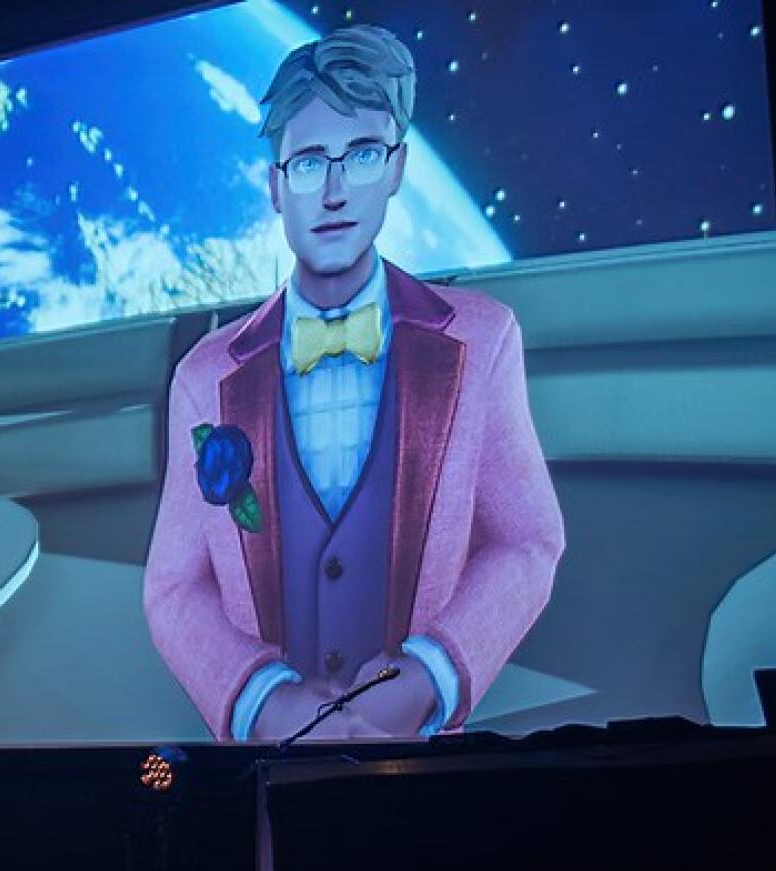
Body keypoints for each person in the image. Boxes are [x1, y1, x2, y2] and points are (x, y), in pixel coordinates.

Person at [143, 25, 564, 742]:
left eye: (362, 155)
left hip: (429, 770)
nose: (335, 191)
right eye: (308, 162)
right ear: (275, 186)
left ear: (397, 167)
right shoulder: (204, 377)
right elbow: (174, 588)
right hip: (269, 775)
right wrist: (264, 700)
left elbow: (528, 540)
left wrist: (431, 674)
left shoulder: (482, 340)